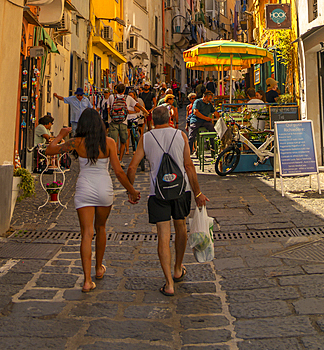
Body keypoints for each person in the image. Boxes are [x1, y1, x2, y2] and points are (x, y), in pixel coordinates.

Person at [45, 108, 140, 292]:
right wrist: (132, 190)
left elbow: (50, 150)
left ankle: (87, 280)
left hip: (84, 189)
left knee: (86, 233)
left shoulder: (76, 142)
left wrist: (61, 134)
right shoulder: (109, 142)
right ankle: (98, 268)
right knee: (101, 228)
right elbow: (119, 172)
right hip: (104, 188)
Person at [127, 104, 208, 297]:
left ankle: (169, 283)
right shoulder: (180, 135)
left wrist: (131, 190)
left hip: (158, 193)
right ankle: (178, 268)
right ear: (170, 118)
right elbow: (189, 166)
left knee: (163, 236)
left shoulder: (146, 138)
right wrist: (197, 194)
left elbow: (131, 167)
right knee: (181, 228)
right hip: (181, 190)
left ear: (152, 120)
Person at [187, 89, 218, 153]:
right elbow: (196, 112)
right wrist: (206, 118)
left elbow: (215, 112)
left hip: (205, 122)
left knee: (213, 129)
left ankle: (213, 148)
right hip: (196, 120)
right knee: (192, 135)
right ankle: (189, 151)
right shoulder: (197, 102)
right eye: (209, 98)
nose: (210, 100)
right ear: (205, 97)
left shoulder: (209, 104)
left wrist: (220, 117)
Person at [107, 83, 128, 157]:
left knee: (113, 141)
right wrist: (145, 112)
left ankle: (114, 159)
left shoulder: (111, 97)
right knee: (123, 142)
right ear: (124, 90)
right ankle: (120, 160)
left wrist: (111, 116)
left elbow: (108, 108)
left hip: (113, 122)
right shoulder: (127, 97)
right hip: (123, 122)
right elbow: (137, 105)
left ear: (116, 90)